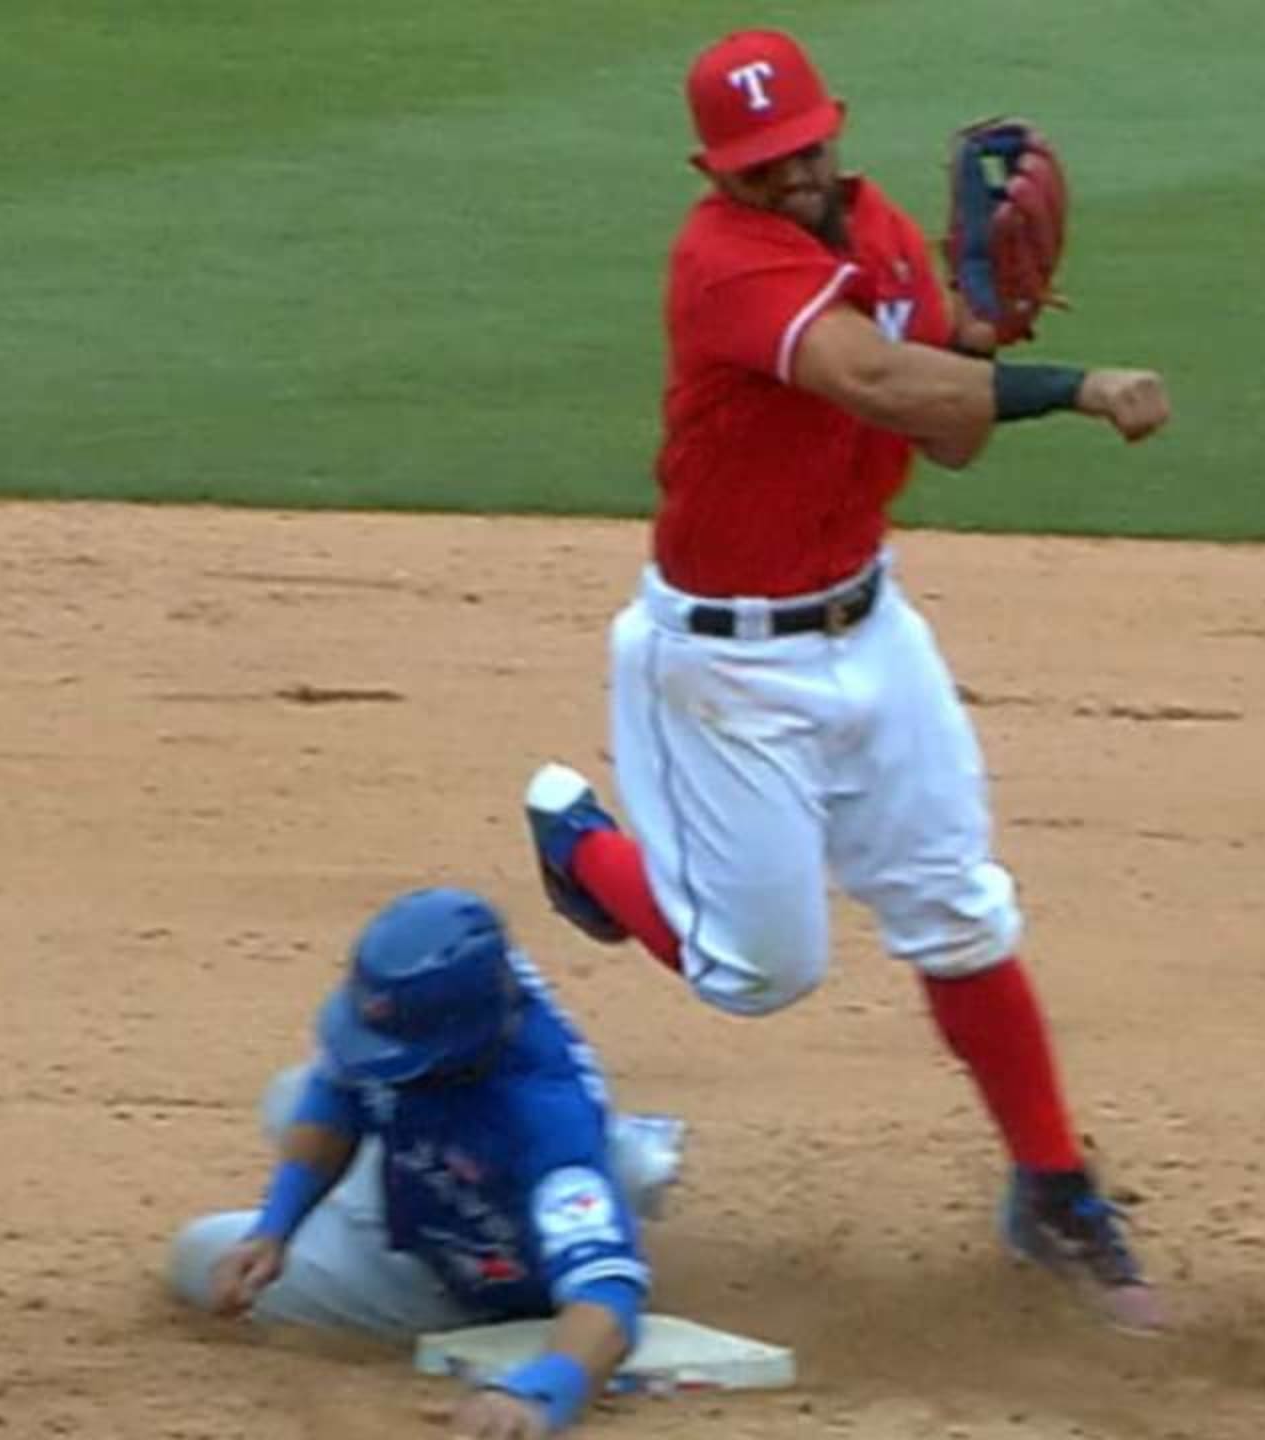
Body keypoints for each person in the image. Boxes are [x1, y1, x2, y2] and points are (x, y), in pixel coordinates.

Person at [521, 28, 1173, 1337]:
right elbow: (867, 375)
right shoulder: (721, 262)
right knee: (758, 975)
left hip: (870, 625)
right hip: (719, 663)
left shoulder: (876, 228)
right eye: (764, 168)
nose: (795, 181)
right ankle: (582, 844)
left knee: (960, 911)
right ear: (720, 172)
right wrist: (1074, 382)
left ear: (833, 129)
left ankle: (1052, 1189)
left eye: (806, 151)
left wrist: (980, 338)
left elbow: (943, 428)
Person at [167, 887, 685, 1439]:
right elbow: (339, 1087)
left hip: (470, 1269)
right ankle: (621, 1161)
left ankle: (602, 1187)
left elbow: (608, 1295)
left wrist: (538, 1392)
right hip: (460, 1150)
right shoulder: (474, 993)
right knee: (291, 1096)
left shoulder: (541, 1116)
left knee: (199, 1254)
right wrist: (275, 1227)